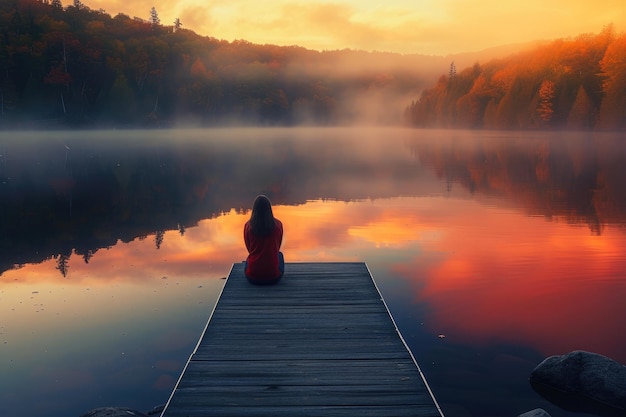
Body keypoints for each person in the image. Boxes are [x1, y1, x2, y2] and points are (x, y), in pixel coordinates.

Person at [243, 195, 284, 284]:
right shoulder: (278, 225)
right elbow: (277, 247)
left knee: (249, 258)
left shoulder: (248, 226)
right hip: (273, 277)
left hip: (252, 277)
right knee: (279, 255)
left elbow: (249, 249)